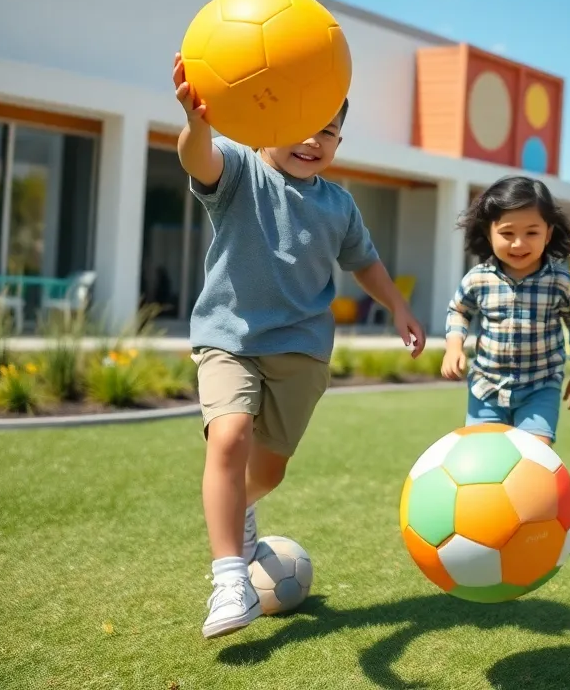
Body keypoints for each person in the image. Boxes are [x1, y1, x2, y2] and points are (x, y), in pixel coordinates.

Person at [172, 53, 427, 639]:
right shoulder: (239, 170)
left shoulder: (338, 203)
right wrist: (198, 121)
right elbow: (197, 157)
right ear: (269, 127)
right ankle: (230, 580)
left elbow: (365, 262)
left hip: (302, 351)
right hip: (228, 338)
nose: (314, 140)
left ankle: (241, 508)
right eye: (302, 127)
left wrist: (399, 305)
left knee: (269, 471)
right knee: (230, 437)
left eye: (330, 131)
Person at [441, 175, 570, 442]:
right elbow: (459, 311)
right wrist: (454, 347)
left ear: (548, 233)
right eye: (507, 233)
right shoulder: (478, 278)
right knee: (484, 455)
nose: (519, 243)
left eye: (531, 232)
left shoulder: (560, 281)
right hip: (486, 388)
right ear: (489, 233)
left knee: (535, 455)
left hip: (541, 386)